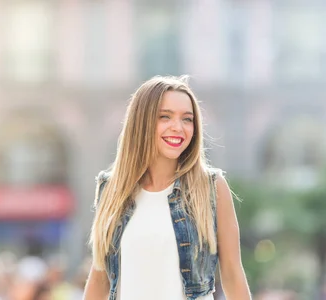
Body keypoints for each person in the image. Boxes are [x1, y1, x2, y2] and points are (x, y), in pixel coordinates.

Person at [83, 75, 251, 300]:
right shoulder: (111, 189)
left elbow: (232, 275)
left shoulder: (211, 187)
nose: (178, 128)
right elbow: (99, 279)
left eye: (187, 119)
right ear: (141, 121)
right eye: (165, 117)